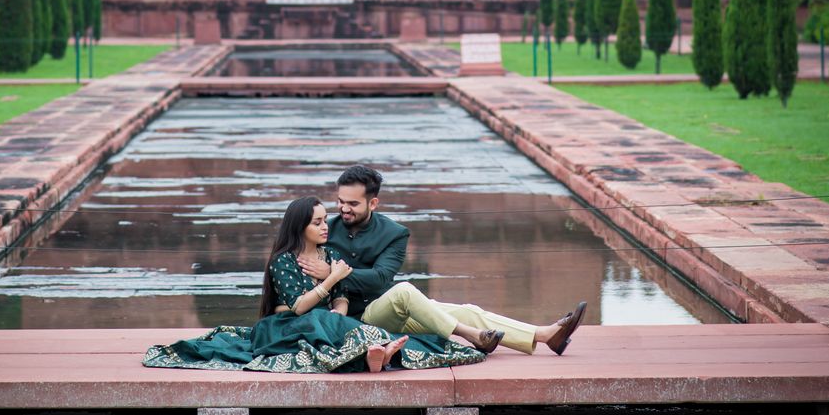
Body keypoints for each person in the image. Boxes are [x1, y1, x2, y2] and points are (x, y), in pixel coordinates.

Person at [141, 195, 495, 375]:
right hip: (286, 325)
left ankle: (376, 353)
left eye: (326, 221)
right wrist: (331, 282)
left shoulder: (328, 254)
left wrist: (336, 298)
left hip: (323, 319)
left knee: (339, 322)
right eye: (318, 222)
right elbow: (298, 306)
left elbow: (339, 300)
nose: (326, 227)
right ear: (300, 227)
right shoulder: (284, 259)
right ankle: (373, 354)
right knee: (320, 322)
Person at [297, 163, 588, 358]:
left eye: (352, 204)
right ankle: (476, 336)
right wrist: (327, 279)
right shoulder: (324, 229)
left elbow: (380, 278)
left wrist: (332, 273)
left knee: (465, 309)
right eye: (340, 201)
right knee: (407, 290)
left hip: (383, 313)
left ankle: (546, 335)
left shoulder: (395, 234)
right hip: (349, 321)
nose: (343, 209)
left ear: (373, 203)